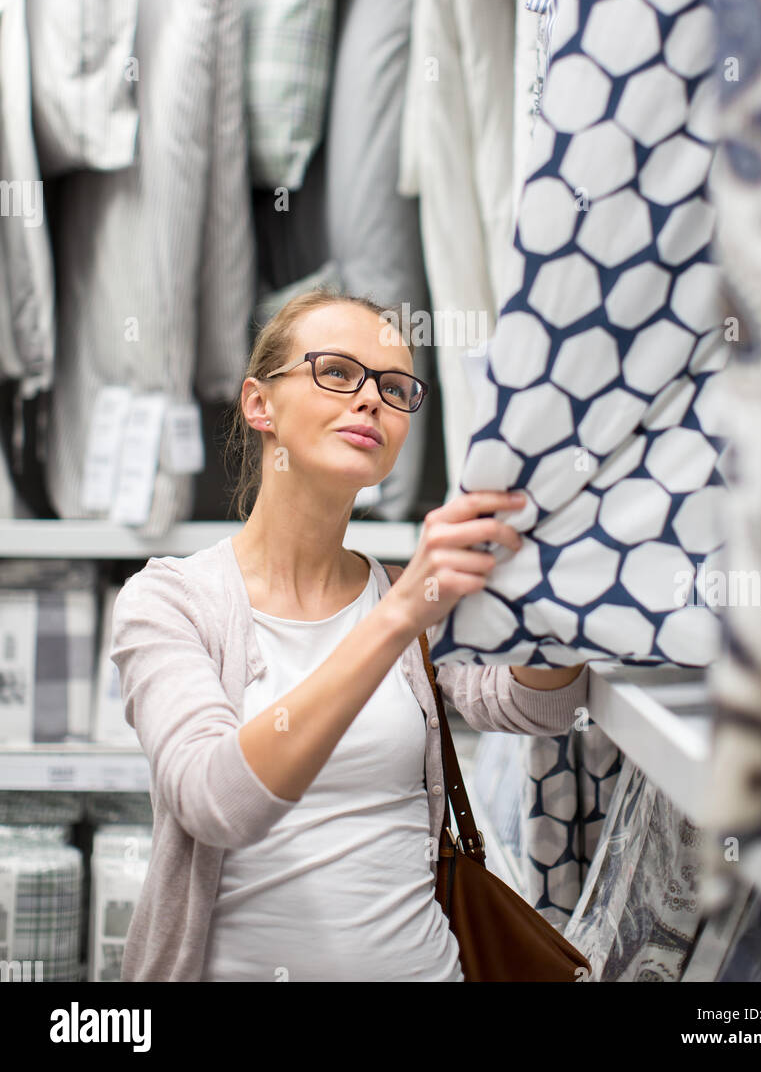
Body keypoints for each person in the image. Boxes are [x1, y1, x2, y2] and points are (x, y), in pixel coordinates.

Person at [111, 288, 587, 982]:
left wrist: (555, 579)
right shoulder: (171, 601)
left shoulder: (402, 593)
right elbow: (214, 801)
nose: (370, 400)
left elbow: (539, 705)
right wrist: (399, 619)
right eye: (336, 372)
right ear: (258, 403)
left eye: (394, 388)